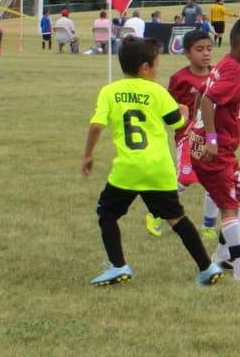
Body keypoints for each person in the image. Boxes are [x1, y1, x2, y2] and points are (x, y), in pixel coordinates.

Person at [80, 36, 224, 287]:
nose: (158, 69)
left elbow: (96, 125)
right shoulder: (157, 92)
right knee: (176, 218)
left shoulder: (109, 91)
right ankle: (206, 267)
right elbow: (177, 124)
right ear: (145, 67)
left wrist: (88, 155)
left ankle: (118, 266)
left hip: (128, 169)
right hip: (159, 169)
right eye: (157, 64)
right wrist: (183, 113)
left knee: (107, 215)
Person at [196, 17, 240, 282]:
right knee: (229, 207)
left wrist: (195, 127)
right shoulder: (233, 71)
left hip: (223, 149)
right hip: (216, 152)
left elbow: (201, 92)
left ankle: (224, 255)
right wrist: (210, 138)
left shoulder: (227, 64)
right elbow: (207, 99)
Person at [145, 29, 222, 240]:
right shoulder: (179, 78)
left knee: (214, 180)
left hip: (212, 137)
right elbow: (169, 107)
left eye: (209, 49)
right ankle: (156, 213)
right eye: (199, 49)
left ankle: (208, 227)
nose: (206, 54)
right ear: (187, 53)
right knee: (185, 179)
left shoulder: (217, 76)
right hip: (187, 137)